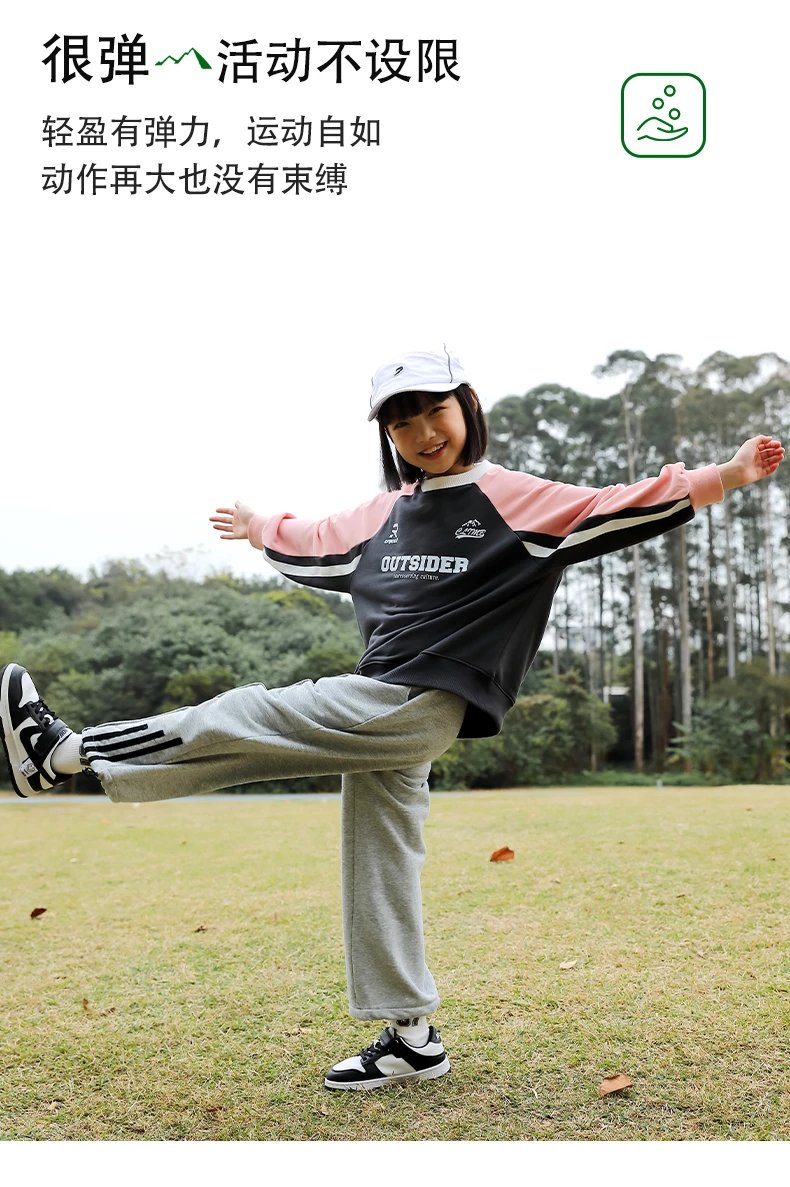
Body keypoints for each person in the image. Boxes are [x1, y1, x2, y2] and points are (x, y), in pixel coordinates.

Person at [1, 347, 784, 1092]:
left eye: (435, 411)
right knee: (378, 856)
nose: (423, 433)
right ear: (387, 434)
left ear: (467, 405)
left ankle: (65, 753)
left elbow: (617, 506)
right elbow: (313, 538)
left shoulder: (518, 500)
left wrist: (727, 475)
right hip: (382, 701)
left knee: (249, 714)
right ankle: (412, 1036)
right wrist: (258, 525)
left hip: (422, 699)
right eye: (401, 423)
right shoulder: (387, 513)